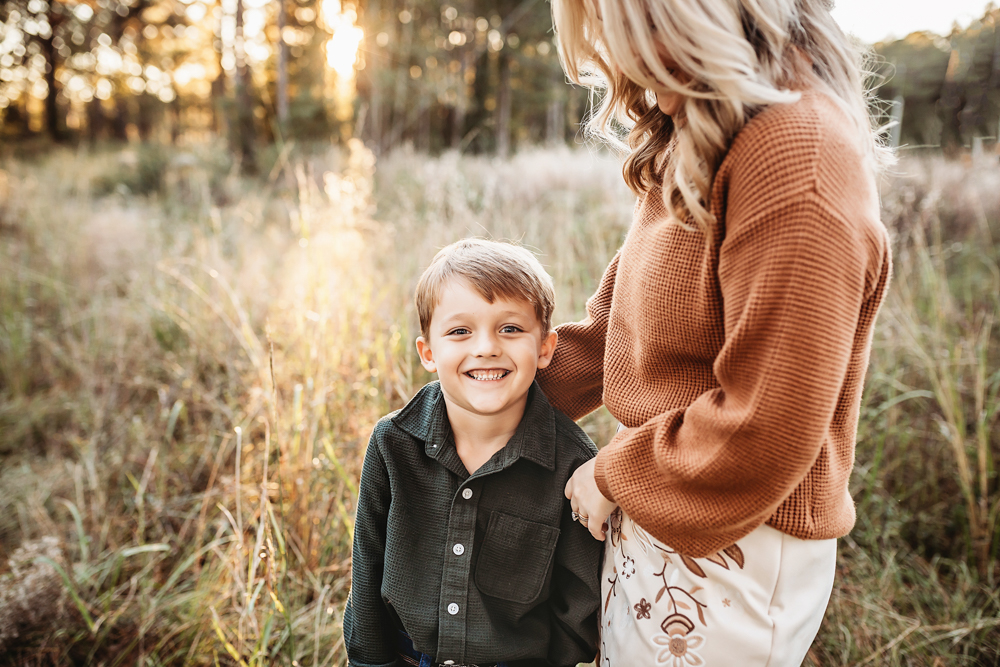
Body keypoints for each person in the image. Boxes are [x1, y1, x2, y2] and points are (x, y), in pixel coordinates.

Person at [537, 0, 893, 664]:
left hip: (736, 540)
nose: (618, 57)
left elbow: (768, 422)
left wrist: (611, 473)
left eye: (623, 27)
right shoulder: (704, 128)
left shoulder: (795, 154)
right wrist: (483, 393)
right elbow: (619, 332)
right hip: (662, 506)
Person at [343, 238, 602, 667]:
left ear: (545, 348)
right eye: (460, 331)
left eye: (511, 329)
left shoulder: (571, 463)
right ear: (429, 352)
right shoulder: (393, 442)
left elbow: (578, 596)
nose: (486, 347)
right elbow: (367, 568)